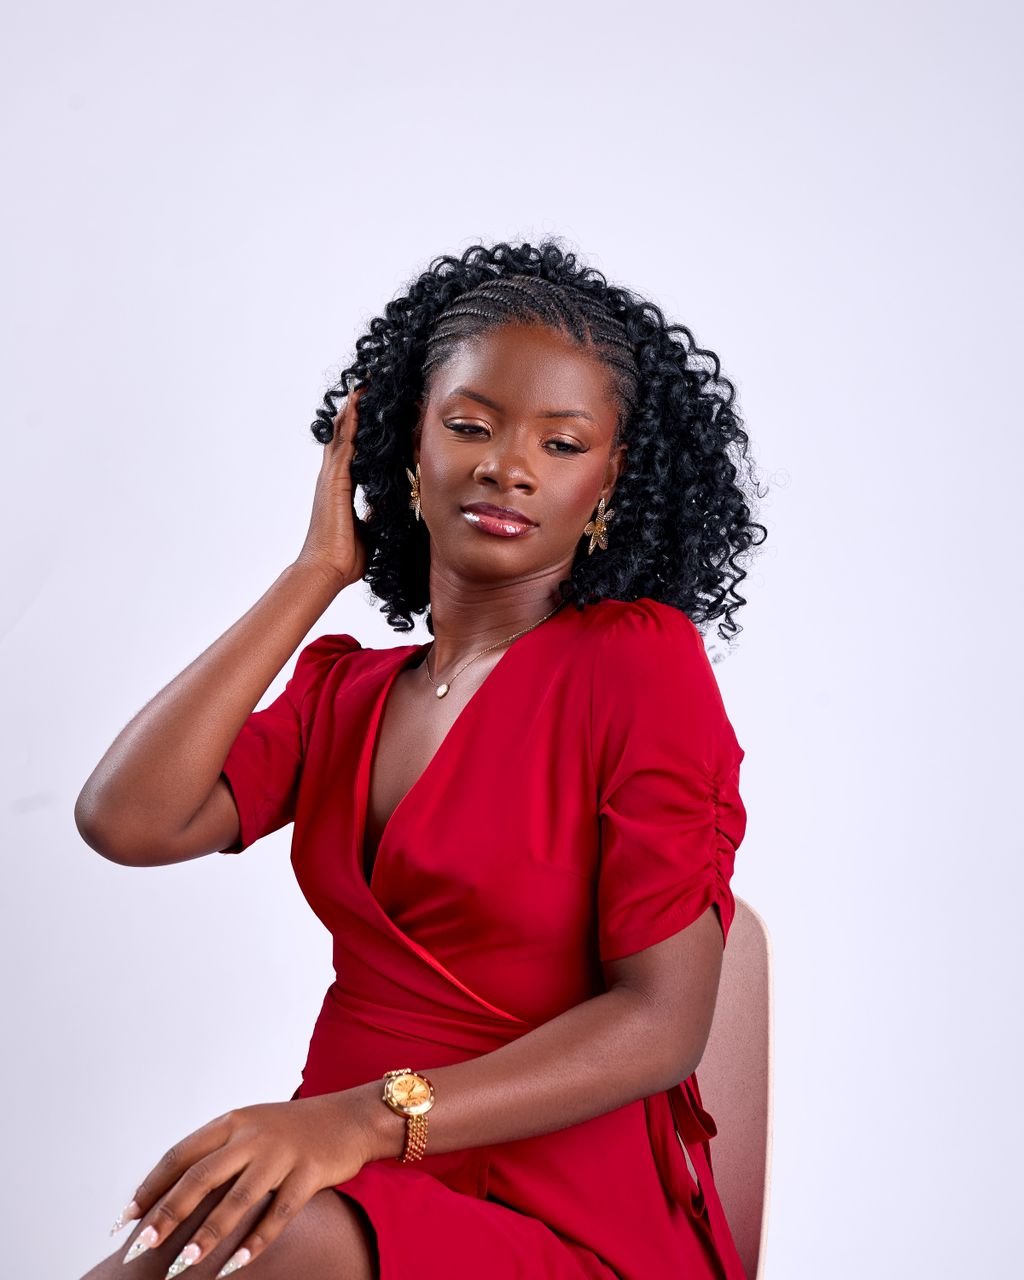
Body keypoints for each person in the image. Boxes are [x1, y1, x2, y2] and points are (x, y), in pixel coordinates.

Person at [75, 239, 767, 1280]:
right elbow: (127, 819)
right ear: (406, 441)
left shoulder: (634, 664)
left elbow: (662, 1022)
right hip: (339, 1178)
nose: (507, 467)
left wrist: (361, 1119)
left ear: (610, 478)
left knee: (253, 1238)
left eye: (561, 443)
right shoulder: (344, 695)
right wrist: (316, 570)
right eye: (470, 425)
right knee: (182, 1244)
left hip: (561, 1212)